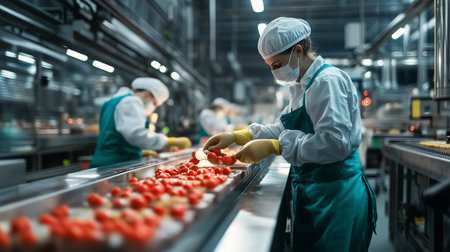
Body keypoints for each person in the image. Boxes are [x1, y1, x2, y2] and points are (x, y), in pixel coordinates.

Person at [203, 17, 377, 251]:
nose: (274, 72)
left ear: (297, 50)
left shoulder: (327, 82)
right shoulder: (300, 86)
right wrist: (240, 136)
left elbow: (335, 143)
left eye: (276, 65)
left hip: (336, 193)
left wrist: (277, 147)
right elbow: (283, 127)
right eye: (270, 67)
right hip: (315, 189)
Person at [90, 77, 191, 167]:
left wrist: (140, 152)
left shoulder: (111, 102)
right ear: (148, 94)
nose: (153, 108)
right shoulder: (132, 101)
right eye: (155, 104)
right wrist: (168, 141)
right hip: (116, 163)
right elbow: (136, 135)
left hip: (102, 162)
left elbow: (113, 135)